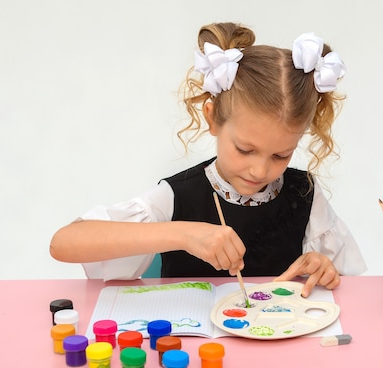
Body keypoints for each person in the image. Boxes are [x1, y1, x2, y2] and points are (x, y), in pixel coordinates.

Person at [50, 22, 366, 297]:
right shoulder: (178, 195)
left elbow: (343, 286)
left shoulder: (305, 194)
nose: (260, 170)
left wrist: (323, 269)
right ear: (212, 118)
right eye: (245, 149)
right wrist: (184, 234)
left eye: (281, 155)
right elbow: (64, 242)